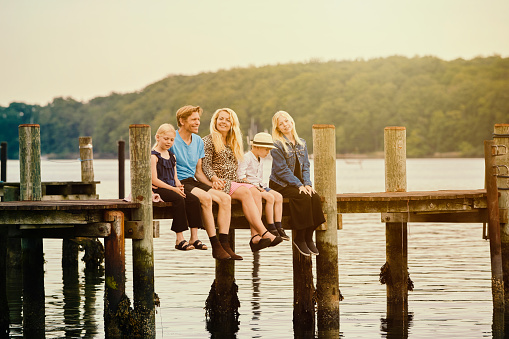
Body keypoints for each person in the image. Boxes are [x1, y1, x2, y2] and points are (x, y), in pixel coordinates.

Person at [201, 108, 283, 252]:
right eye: (221, 118)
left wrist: (251, 184)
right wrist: (214, 179)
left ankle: (255, 237)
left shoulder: (233, 141)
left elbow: (237, 171)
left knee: (255, 192)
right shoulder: (208, 141)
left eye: (228, 120)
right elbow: (206, 165)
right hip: (219, 181)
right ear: (215, 120)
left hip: (233, 181)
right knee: (245, 192)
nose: (224, 122)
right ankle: (265, 232)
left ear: (232, 123)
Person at [170, 105, 239, 260]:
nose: (197, 123)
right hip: (177, 181)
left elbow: (198, 172)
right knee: (206, 198)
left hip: (192, 180)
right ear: (182, 121)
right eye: (193, 119)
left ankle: (224, 243)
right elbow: (158, 158)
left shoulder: (198, 141)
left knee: (225, 198)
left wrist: (212, 183)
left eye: (198, 119)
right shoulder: (172, 138)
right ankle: (215, 245)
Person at [269, 110, 326, 256]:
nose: (285, 125)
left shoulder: (302, 143)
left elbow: (306, 165)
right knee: (302, 197)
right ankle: (299, 238)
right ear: (278, 128)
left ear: (292, 122)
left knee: (314, 197)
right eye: (281, 124)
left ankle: (308, 237)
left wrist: (307, 184)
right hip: (280, 184)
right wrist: (299, 185)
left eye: (286, 121)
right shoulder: (277, 144)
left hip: (298, 183)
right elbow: (281, 170)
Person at [151, 123, 205, 251]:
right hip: (159, 188)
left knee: (193, 199)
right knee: (178, 199)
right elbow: (154, 179)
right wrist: (173, 189)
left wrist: (179, 186)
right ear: (158, 137)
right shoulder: (153, 156)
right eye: (166, 139)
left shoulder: (172, 156)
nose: (169, 142)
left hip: (172, 187)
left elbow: (175, 177)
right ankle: (179, 238)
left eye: (171, 139)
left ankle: (194, 237)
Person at [237, 132, 289, 241]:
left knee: (278, 196)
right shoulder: (246, 157)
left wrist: (262, 187)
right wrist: (255, 187)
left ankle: (279, 226)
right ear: (256, 147)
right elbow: (241, 177)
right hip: (250, 187)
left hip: (260, 185)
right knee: (270, 198)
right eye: (266, 149)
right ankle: (271, 226)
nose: (268, 152)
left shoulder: (260, 159)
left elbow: (259, 178)